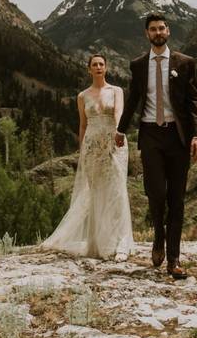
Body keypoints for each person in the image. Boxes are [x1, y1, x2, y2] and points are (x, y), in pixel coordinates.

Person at [116, 13, 197, 279]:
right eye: (153, 29)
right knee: (155, 193)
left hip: (177, 136)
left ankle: (174, 259)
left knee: (177, 198)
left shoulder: (185, 63)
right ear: (147, 34)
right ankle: (158, 236)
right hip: (151, 134)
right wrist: (120, 129)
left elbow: (194, 102)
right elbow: (133, 99)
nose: (158, 32)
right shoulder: (138, 65)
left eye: (162, 28)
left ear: (168, 31)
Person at [41, 54, 133, 261]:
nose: (98, 67)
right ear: (89, 69)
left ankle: (122, 243)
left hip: (114, 141)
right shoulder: (83, 96)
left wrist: (119, 132)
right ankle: (98, 242)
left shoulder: (116, 91)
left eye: (101, 64)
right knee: (96, 191)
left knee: (117, 190)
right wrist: (82, 149)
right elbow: (83, 124)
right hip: (92, 145)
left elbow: (119, 112)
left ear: (106, 68)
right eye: (94, 65)